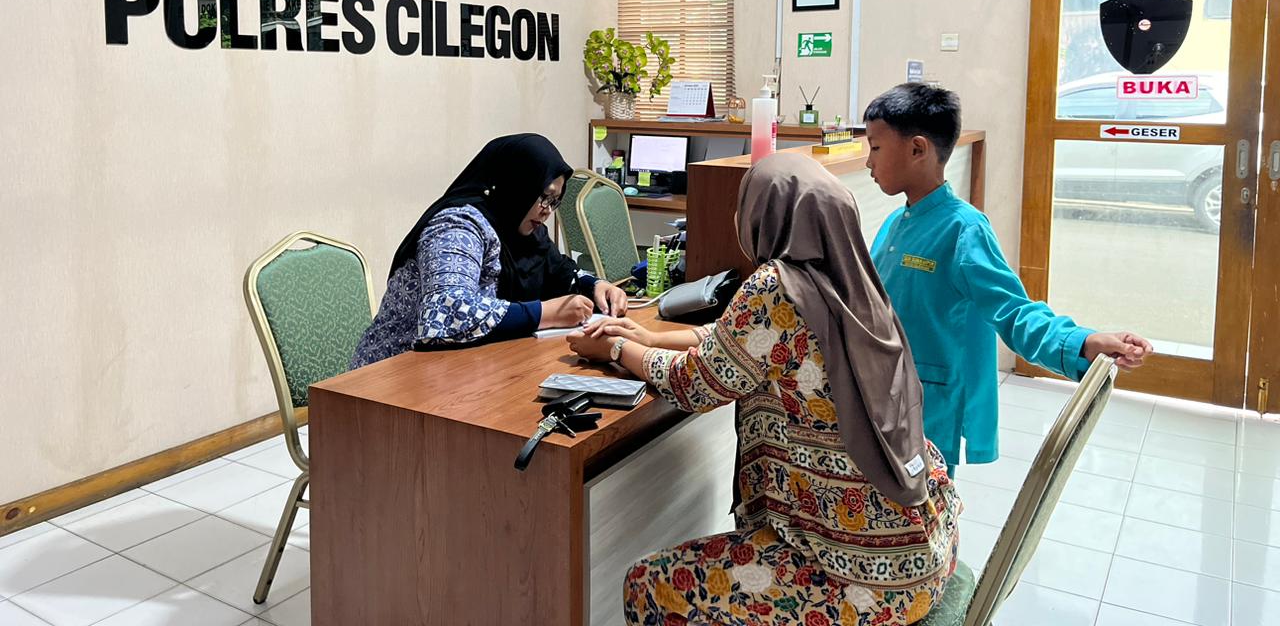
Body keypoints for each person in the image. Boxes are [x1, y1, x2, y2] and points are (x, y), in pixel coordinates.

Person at [569, 152, 961, 626]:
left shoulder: (776, 285)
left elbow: (695, 383)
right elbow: (745, 341)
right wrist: (648, 339)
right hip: (922, 549)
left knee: (649, 584)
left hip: (860, 580)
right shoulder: (853, 278)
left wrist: (614, 350)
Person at [862, 83, 1153, 474]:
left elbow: (1014, 311)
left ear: (917, 149)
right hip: (884, 399)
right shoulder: (894, 224)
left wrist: (1082, 343)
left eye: (876, 148)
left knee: (926, 501)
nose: (869, 162)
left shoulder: (964, 230)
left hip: (930, 408)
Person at [350, 133, 629, 367]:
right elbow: (446, 311)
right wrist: (545, 313)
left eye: (555, 201)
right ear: (517, 186)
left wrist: (595, 286)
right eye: (543, 196)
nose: (546, 210)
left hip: (467, 368)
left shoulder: (525, 231)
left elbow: (559, 270)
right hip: (392, 375)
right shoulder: (458, 227)